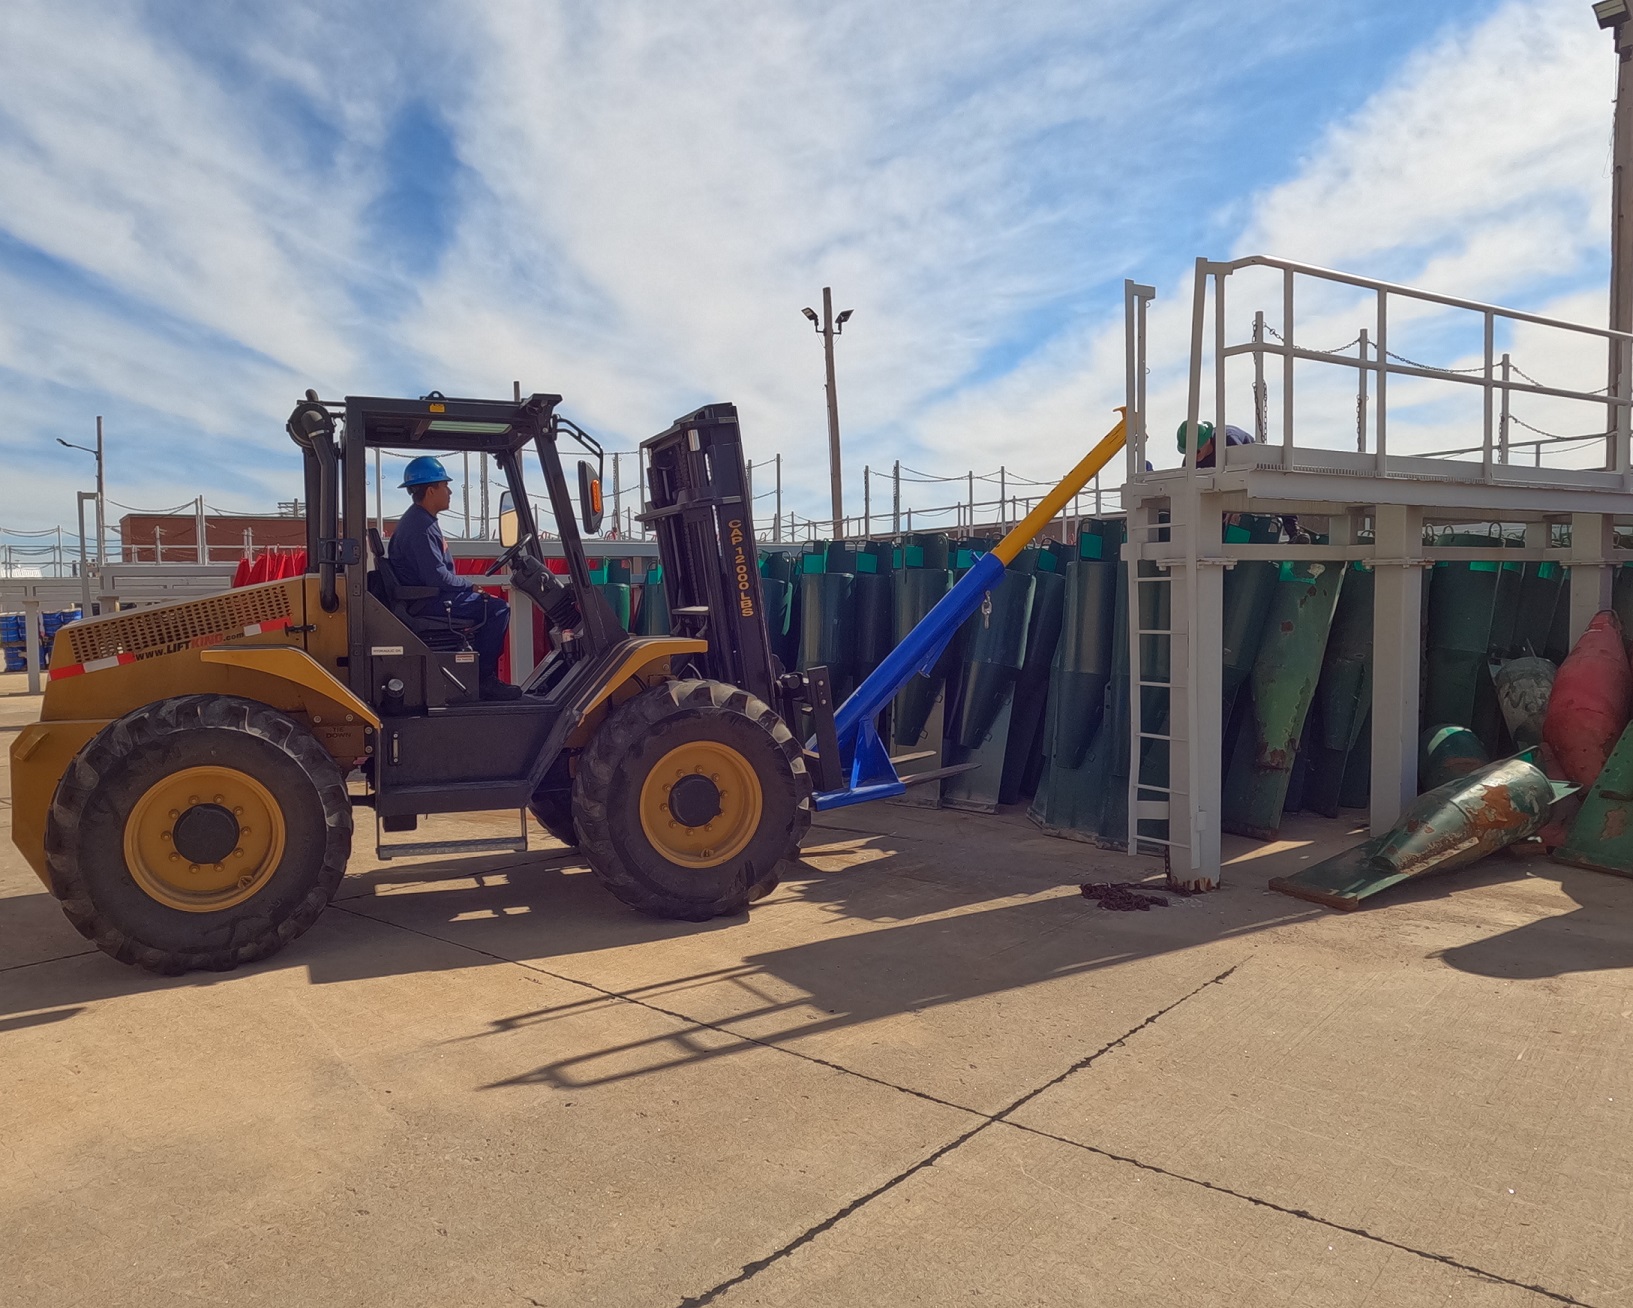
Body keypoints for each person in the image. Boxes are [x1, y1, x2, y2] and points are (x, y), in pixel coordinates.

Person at [389, 455, 522, 700]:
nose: (450, 491)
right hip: (427, 601)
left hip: (425, 597)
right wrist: (470, 585)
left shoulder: (420, 521)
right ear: (431, 490)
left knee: (488, 606)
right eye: (445, 486)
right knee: (497, 609)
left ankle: (476, 674)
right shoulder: (420, 527)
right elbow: (437, 577)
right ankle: (484, 680)